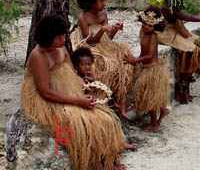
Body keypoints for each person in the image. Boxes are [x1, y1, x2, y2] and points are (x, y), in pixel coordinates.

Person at [21, 17, 129, 170]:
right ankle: (97, 164)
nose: (63, 39)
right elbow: (45, 92)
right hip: (51, 98)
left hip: (67, 90)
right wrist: (77, 101)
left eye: (63, 35)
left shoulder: (62, 47)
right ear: (48, 37)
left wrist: (85, 85)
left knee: (106, 119)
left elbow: (71, 72)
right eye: (59, 36)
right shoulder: (38, 56)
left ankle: (110, 160)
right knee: (84, 123)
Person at [74, 0, 144, 115]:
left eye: (105, 0)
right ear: (90, 1)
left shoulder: (103, 14)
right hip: (91, 47)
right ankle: (105, 100)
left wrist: (115, 30)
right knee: (103, 65)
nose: (105, 3)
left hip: (105, 45)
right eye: (101, 0)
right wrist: (101, 30)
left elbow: (108, 38)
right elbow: (89, 41)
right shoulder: (83, 17)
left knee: (125, 64)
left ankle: (121, 103)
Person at [133, 7, 169, 132]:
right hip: (145, 67)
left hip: (152, 69)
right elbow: (143, 51)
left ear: (155, 26)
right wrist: (137, 61)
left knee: (151, 99)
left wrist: (135, 61)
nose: (146, 27)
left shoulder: (153, 37)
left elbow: (149, 55)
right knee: (149, 97)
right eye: (144, 23)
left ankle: (155, 123)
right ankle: (161, 115)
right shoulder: (142, 32)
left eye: (149, 25)